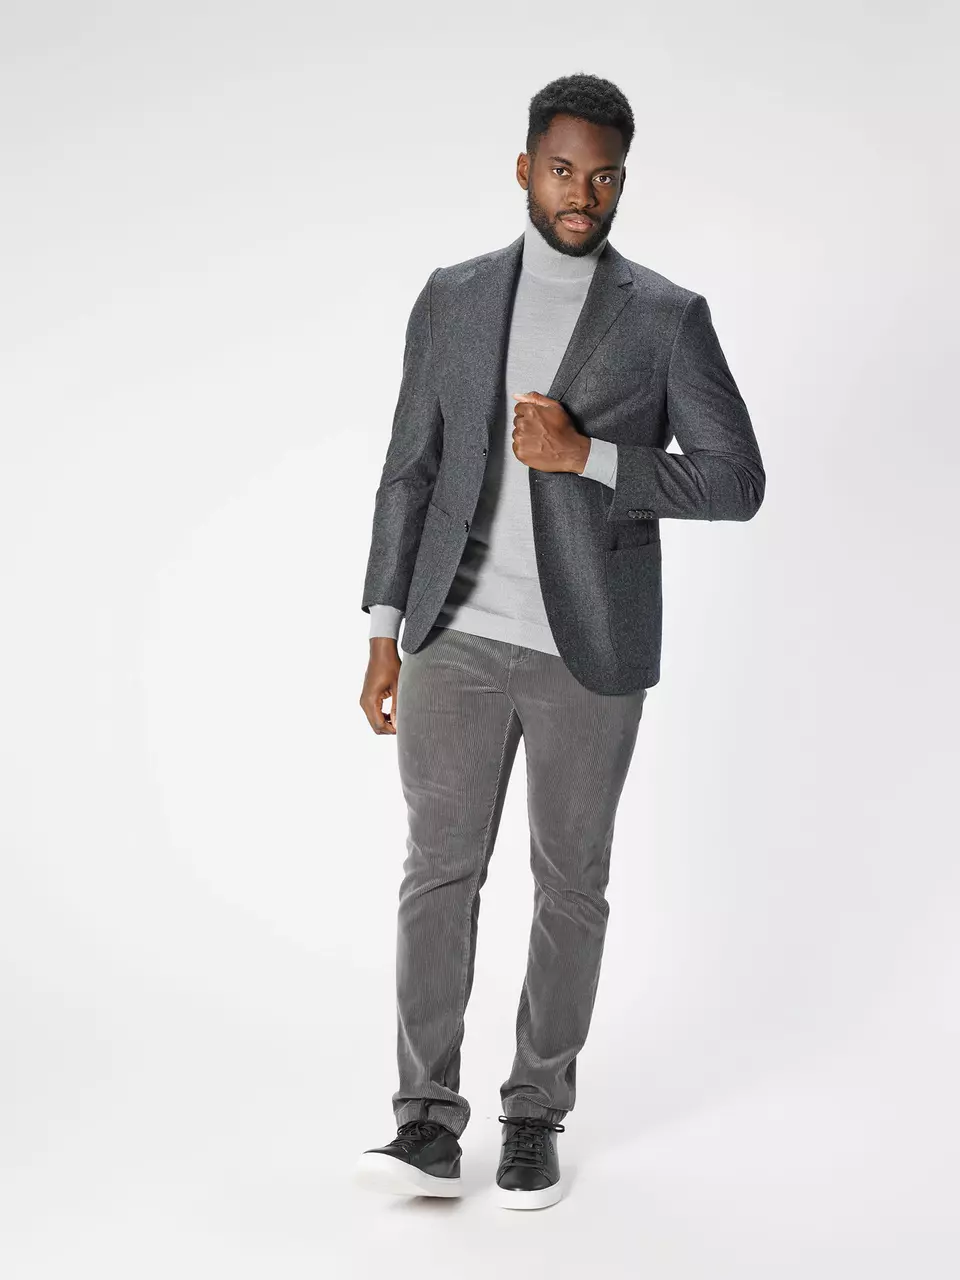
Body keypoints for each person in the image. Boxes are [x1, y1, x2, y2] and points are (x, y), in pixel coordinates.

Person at [354, 72, 765, 1210]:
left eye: (604, 176)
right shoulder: (453, 296)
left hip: (592, 649)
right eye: (563, 169)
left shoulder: (666, 316)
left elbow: (737, 479)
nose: (582, 193)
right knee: (437, 873)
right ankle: (424, 1121)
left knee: (570, 885)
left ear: (622, 180)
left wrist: (589, 456)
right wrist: (385, 630)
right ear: (525, 167)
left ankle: (535, 1115)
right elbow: (408, 468)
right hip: (451, 635)